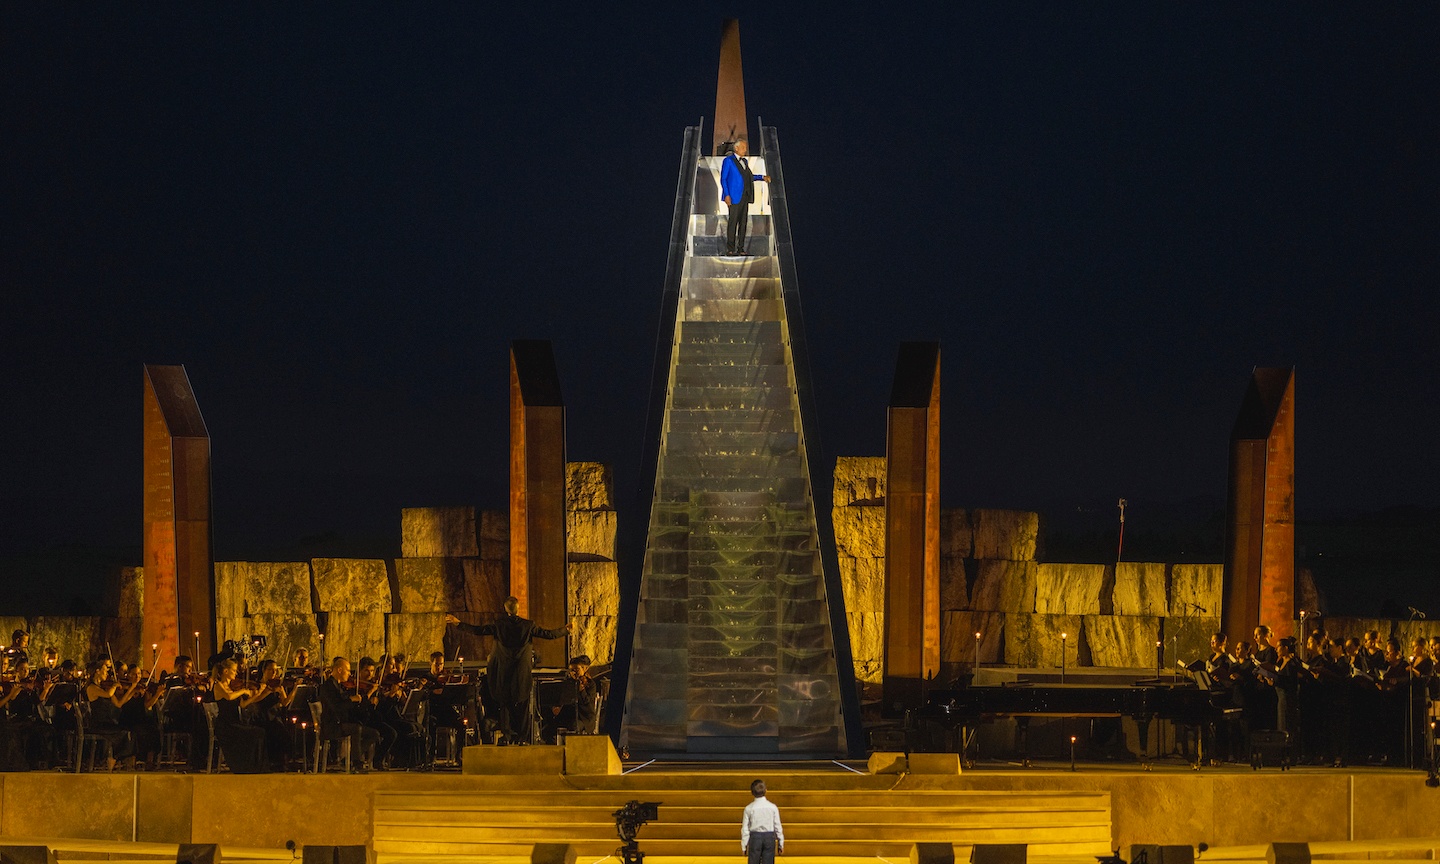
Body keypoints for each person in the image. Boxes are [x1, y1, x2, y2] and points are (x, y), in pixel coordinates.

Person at [445, 598, 571, 744]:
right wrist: (565, 630)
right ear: (518, 608)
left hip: (503, 671)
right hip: (521, 672)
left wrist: (458, 623)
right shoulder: (528, 625)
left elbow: (478, 630)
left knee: (505, 704)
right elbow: (548, 634)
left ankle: (507, 735)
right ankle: (523, 738)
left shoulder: (499, 625)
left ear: (506, 609)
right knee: (523, 703)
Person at [317, 656, 381, 772]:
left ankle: (347, 759)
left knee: (374, 734)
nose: (350, 674)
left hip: (341, 722)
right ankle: (356, 764)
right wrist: (352, 699)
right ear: (339, 670)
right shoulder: (328, 686)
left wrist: (363, 701)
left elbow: (347, 705)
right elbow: (337, 707)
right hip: (331, 725)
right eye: (347, 670)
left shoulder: (339, 686)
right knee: (356, 728)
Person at [720, 138, 770, 256]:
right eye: (743, 147)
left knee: (743, 223)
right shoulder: (729, 161)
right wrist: (726, 195)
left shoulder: (744, 162)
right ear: (736, 148)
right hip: (733, 196)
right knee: (733, 223)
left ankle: (740, 248)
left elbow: (749, 177)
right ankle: (730, 248)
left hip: (745, 196)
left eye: (745, 147)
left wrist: (762, 177)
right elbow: (724, 179)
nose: (745, 150)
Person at [741, 778, 783, 864]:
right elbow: (778, 826)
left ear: (752, 792)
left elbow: (745, 829)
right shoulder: (773, 807)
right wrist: (780, 842)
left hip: (755, 837)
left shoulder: (749, 808)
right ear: (766, 791)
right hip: (769, 837)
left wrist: (744, 845)